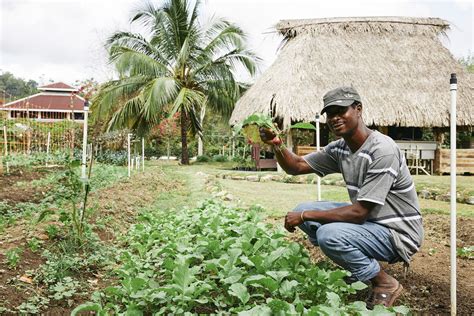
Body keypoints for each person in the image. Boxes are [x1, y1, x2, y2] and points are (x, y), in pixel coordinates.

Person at [259, 86, 423, 308]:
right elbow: (296, 166)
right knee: (304, 207)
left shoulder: (382, 149)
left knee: (328, 234)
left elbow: (358, 213)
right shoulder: (341, 149)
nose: (334, 118)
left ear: (358, 109)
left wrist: (305, 216)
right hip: (371, 223)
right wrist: (277, 143)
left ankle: (384, 283)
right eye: (330, 113)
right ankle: (361, 268)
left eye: (341, 111)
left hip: (398, 234)